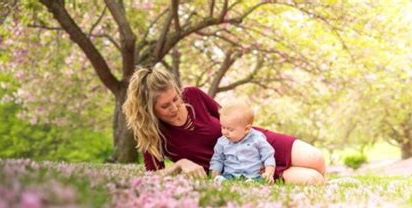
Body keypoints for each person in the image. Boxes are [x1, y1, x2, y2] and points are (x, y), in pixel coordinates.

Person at [122, 67, 326, 185]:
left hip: (255, 141)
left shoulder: (193, 95)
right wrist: (179, 164)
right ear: (149, 109)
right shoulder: (153, 134)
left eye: (175, 99)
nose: (175, 107)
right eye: (165, 106)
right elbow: (152, 175)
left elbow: (228, 116)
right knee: (314, 180)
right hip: (240, 169)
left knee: (316, 158)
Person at [210, 99, 275, 184]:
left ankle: (252, 183)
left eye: (230, 129)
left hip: (254, 175)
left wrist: (268, 173)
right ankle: (223, 181)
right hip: (231, 174)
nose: (225, 132)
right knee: (222, 179)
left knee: (260, 181)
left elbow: (268, 156)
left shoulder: (257, 139)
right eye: (223, 127)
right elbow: (217, 159)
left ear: (246, 129)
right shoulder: (222, 142)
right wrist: (214, 174)